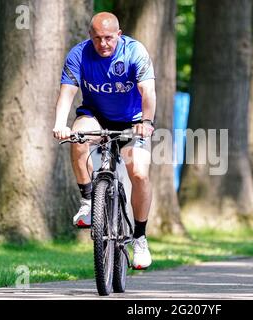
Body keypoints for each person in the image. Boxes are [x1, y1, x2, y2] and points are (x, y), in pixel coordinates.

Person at [52, 12, 155, 270]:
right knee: (79, 139)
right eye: (97, 38)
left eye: (109, 38)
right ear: (90, 36)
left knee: (139, 173)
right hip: (95, 116)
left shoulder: (135, 52)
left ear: (118, 35)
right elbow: (67, 93)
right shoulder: (78, 54)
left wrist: (147, 122)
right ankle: (88, 201)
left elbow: (148, 91)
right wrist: (59, 124)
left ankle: (140, 238)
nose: (103, 44)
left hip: (134, 121)